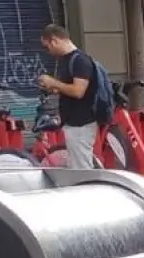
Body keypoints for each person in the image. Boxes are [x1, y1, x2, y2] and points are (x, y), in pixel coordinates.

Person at [38, 24, 97, 169]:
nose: (48, 52)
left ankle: (86, 185)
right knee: (76, 166)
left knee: (81, 168)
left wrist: (53, 82)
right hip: (71, 123)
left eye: (47, 47)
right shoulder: (65, 60)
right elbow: (68, 88)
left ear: (54, 41)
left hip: (81, 124)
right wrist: (54, 88)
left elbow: (78, 91)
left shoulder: (80, 60)